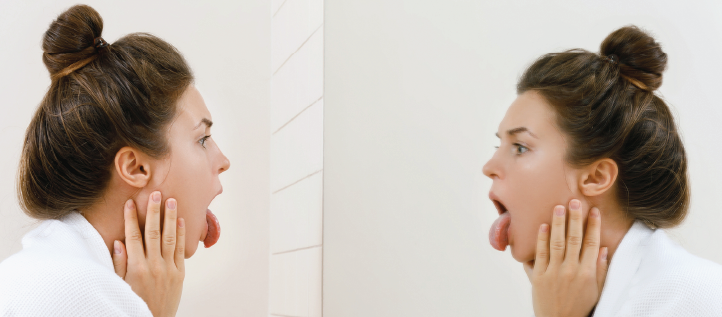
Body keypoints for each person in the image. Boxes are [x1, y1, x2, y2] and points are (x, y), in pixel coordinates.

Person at [0, 4, 230, 316]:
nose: (223, 160)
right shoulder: (79, 292)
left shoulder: (53, 269)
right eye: (202, 139)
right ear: (136, 167)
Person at [483, 25, 722, 316]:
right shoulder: (565, 299)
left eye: (520, 147)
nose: (489, 168)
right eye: (500, 146)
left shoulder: (700, 296)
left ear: (596, 177)